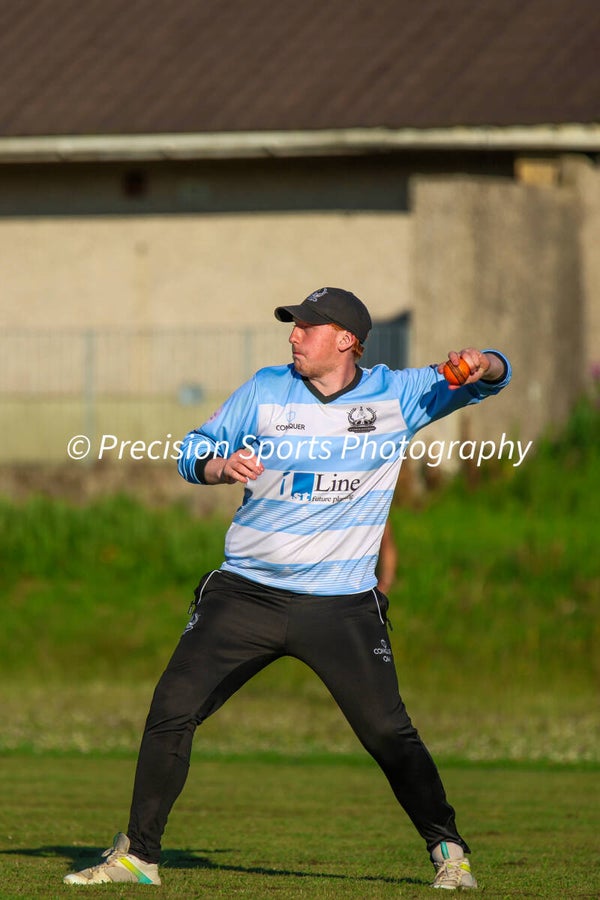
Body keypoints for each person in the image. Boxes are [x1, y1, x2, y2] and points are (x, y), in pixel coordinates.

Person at [64, 287, 511, 891]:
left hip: (342, 606)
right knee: (172, 710)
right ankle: (139, 857)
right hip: (245, 594)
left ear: (346, 340)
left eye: (307, 327)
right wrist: (219, 466)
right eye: (293, 325)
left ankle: (449, 851)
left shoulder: (398, 394)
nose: (293, 335)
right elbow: (191, 452)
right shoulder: (264, 389)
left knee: (387, 733)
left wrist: (485, 360)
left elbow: (492, 378)